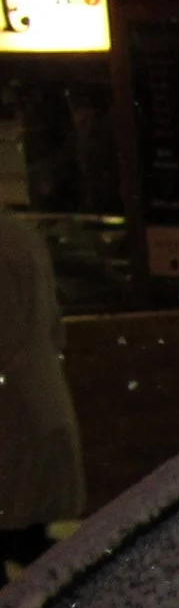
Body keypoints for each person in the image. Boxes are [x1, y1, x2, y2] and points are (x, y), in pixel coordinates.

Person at [0, 209, 85, 579]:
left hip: (13, 405)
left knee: (18, 531)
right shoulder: (24, 238)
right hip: (44, 393)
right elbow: (54, 326)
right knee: (38, 536)